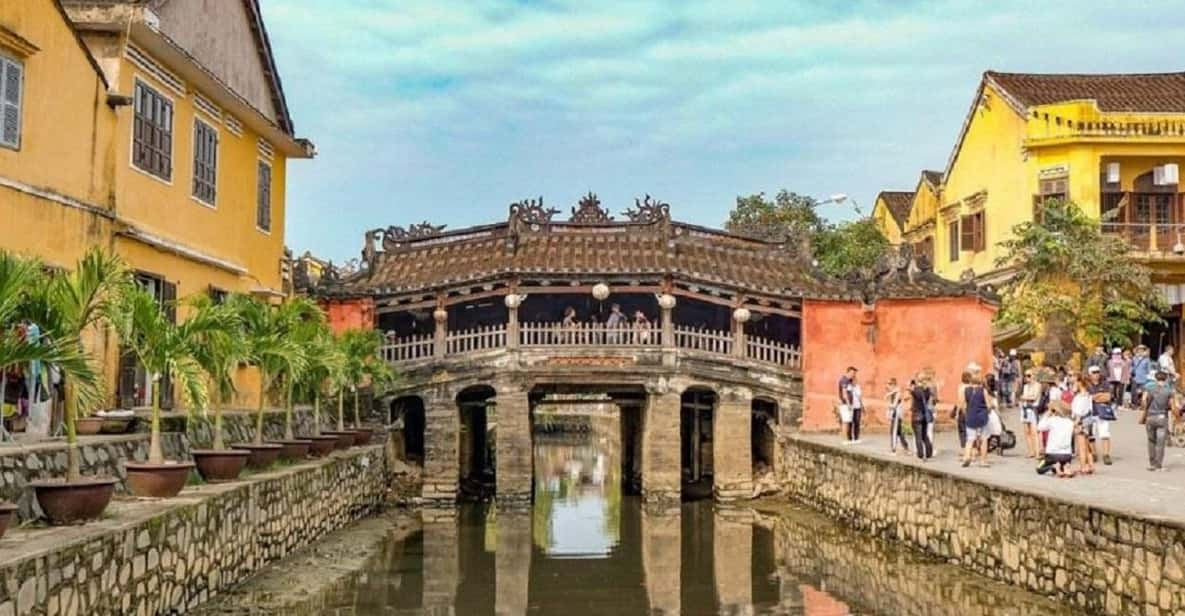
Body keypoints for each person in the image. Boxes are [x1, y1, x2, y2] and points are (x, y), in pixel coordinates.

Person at [1141, 370, 1177, 471]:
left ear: (1155, 378)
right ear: (1165, 379)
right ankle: (1158, 464)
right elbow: (1173, 406)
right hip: (1162, 417)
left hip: (1150, 417)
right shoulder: (1169, 391)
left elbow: (1143, 401)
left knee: (1151, 440)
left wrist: (1145, 409)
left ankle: (1152, 463)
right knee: (1160, 443)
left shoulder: (1149, 388)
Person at [961, 370, 994, 468]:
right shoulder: (983, 391)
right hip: (982, 417)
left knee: (970, 439)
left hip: (970, 416)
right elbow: (988, 405)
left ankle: (966, 457)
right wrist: (991, 407)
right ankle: (983, 461)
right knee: (984, 439)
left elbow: (963, 405)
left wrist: (966, 413)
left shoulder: (966, 390)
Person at [1036, 400, 1075, 477]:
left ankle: (1055, 467)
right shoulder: (1070, 422)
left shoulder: (1052, 420)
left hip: (1052, 454)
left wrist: (1047, 414)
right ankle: (1065, 467)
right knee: (1062, 463)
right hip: (1067, 455)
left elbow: (1039, 427)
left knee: (1039, 468)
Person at [1087, 365, 1116, 465]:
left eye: (1097, 372)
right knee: (1091, 435)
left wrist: (1094, 397)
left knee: (1105, 434)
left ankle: (1106, 454)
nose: (1096, 374)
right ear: (1089, 374)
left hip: (1102, 412)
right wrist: (1098, 396)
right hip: (1091, 412)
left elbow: (1107, 397)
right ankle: (1093, 453)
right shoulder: (1086, 385)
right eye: (1094, 372)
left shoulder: (1105, 384)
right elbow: (1086, 398)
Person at [1070, 375, 1096, 474]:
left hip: (1081, 422)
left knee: (1081, 446)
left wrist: (1074, 424)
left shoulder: (1081, 397)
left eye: (1075, 382)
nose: (1073, 385)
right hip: (1087, 421)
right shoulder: (1088, 395)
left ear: (1080, 383)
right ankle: (1090, 465)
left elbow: (1079, 413)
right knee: (1087, 445)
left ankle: (1083, 466)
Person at [909, 374, 933, 460]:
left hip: (916, 415)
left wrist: (911, 385)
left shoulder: (916, 390)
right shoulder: (927, 390)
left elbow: (910, 390)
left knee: (918, 436)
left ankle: (920, 454)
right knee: (924, 435)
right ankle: (929, 452)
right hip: (924, 415)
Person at [1019, 369, 1041, 459]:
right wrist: (1026, 398)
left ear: (1033, 376)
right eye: (1026, 375)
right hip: (1024, 409)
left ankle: (1037, 452)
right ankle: (1030, 451)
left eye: (1029, 375)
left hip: (1032, 409)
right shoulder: (1025, 386)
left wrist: (1025, 397)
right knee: (1026, 432)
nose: (1027, 377)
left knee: (1034, 432)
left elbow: (1034, 397)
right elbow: (1023, 397)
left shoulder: (1037, 385)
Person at [837, 367, 862, 444]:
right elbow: (844, 393)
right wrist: (848, 404)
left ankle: (849, 439)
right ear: (848, 372)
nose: (853, 375)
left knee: (848, 421)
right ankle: (845, 439)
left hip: (850, 404)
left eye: (854, 374)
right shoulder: (844, 380)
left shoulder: (849, 381)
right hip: (845, 404)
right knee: (846, 422)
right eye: (852, 373)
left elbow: (855, 386)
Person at [886, 378, 909, 455]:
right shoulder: (893, 392)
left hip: (896, 414)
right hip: (896, 414)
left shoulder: (897, 393)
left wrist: (888, 405)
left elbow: (894, 405)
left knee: (894, 432)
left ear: (893, 384)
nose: (887, 386)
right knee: (899, 432)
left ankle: (893, 450)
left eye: (889, 384)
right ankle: (906, 448)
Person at [1131, 345, 1152, 410]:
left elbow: (1149, 369)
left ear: (1144, 351)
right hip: (1135, 377)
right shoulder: (1134, 358)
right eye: (1139, 350)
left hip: (1143, 378)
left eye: (1142, 350)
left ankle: (1141, 405)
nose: (1140, 351)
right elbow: (1131, 367)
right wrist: (1131, 371)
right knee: (1134, 392)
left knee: (1142, 392)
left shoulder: (1147, 359)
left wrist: (1147, 375)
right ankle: (1134, 404)